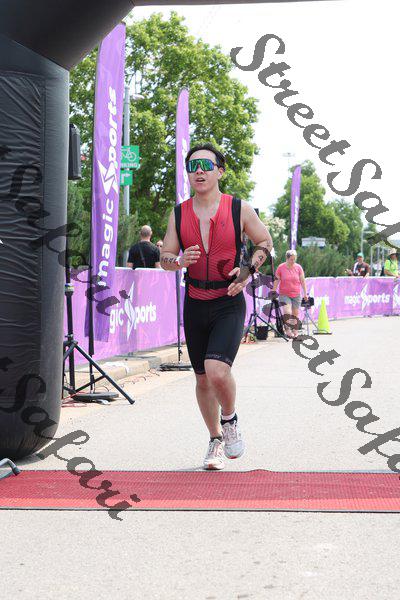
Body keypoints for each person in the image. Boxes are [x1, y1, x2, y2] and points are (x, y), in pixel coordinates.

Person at [160, 142, 273, 470]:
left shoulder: (239, 209)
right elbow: (165, 258)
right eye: (193, 166)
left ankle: (230, 419)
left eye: (207, 166)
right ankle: (215, 440)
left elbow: (264, 241)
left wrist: (248, 269)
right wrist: (179, 261)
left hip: (228, 300)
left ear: (220, 171)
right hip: (195, 302)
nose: (199, 171)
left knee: (217, 370)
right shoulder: (179, 213)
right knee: (202, 379)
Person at [271, 249, 308, 338]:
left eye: (294, 259)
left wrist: (305, 293)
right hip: (284, 294)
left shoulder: (298, 268)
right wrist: (274, 291)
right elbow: (277, 280)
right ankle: (287, 330)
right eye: (291, 259)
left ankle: (295, 330)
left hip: (296, 294)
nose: (293, 261)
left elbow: (302, 281)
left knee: (295, 313)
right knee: (287, 311)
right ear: (287, 258)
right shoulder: (281, 267)